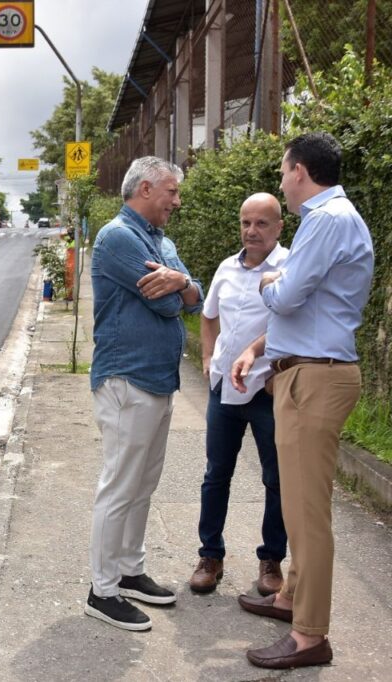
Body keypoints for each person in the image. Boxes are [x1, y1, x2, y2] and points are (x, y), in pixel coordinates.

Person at [231, 132, 373, 670]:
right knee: (296, 504)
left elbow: (288, 296)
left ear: (298, 170)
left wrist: (270, 279)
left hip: (316, 379)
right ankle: (291, 597)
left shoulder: (326, 219)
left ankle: (310, 635)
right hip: (306, 374)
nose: (282, 180)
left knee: (308, 514)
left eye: (283, 170)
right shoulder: (331, 219)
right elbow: (308, 304)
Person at [86, 156, 203, 632]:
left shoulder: (162, 241)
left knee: (143, 483)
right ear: (147, 188)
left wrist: (183, 283)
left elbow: (194, 296)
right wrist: (180, 288)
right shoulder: (118, 237)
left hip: (157, 380)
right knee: (120, 485)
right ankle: (102, 590)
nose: (177, 201)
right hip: (127, 379)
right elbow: (167, 304)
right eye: (172, 192)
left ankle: (130, 571)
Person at [190, 193, 288, 597]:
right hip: (223, 392)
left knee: (276, 478)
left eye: (261, 223)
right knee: (216, 475)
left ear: (279, 227)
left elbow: (294, 322)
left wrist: (263, 359)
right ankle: (210, 556)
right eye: (246, 223)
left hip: (267, 390)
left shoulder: (290, 267)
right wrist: (209, 358)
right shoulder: (227, 267)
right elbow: (208, 315)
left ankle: (271, 561)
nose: (251, 231)